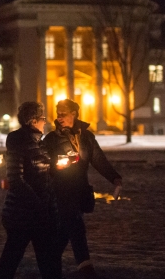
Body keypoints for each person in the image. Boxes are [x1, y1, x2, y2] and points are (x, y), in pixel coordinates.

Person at [43, 99, 122, 279]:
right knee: (76, 227)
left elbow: (98, 160)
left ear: (74, 114)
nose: (59, 117)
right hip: (60, 192)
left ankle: (48, 263)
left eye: (63, 113)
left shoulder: (86, 137)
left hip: (80, 192)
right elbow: (43, 164)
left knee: (64, 231)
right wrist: (57, 166)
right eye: (57, 113)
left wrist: (115, 178)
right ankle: (86, 269)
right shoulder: (51, 139)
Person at [0, 102, 62, 279]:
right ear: (33, 121)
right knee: (11, 259)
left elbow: (43, 172)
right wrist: (38, 204)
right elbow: (16, 179)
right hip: (22, 215)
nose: (45, 122)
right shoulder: (18, 141)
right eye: (42, 119)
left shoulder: (39, 142)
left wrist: (58, 166)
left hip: (40, 214)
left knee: (49, 260)